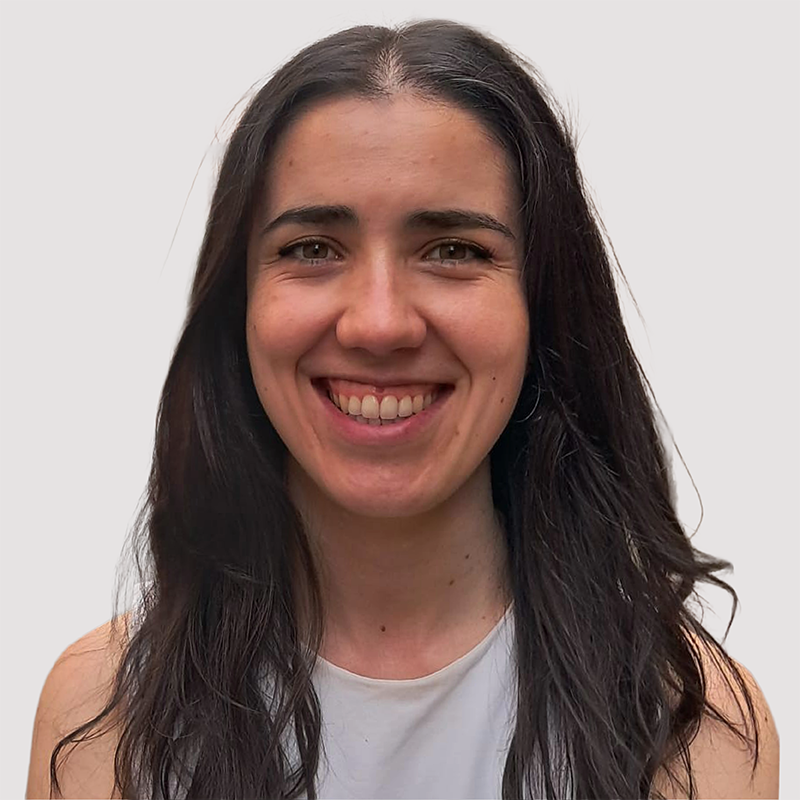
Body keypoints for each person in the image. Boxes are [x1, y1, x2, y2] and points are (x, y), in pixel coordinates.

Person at [26, 19, 779, 800]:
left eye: (454, 250)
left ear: (544, 305)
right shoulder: (107, 717)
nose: (379, 323)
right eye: (312, 248)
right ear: (237, 307)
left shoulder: (689, 730)